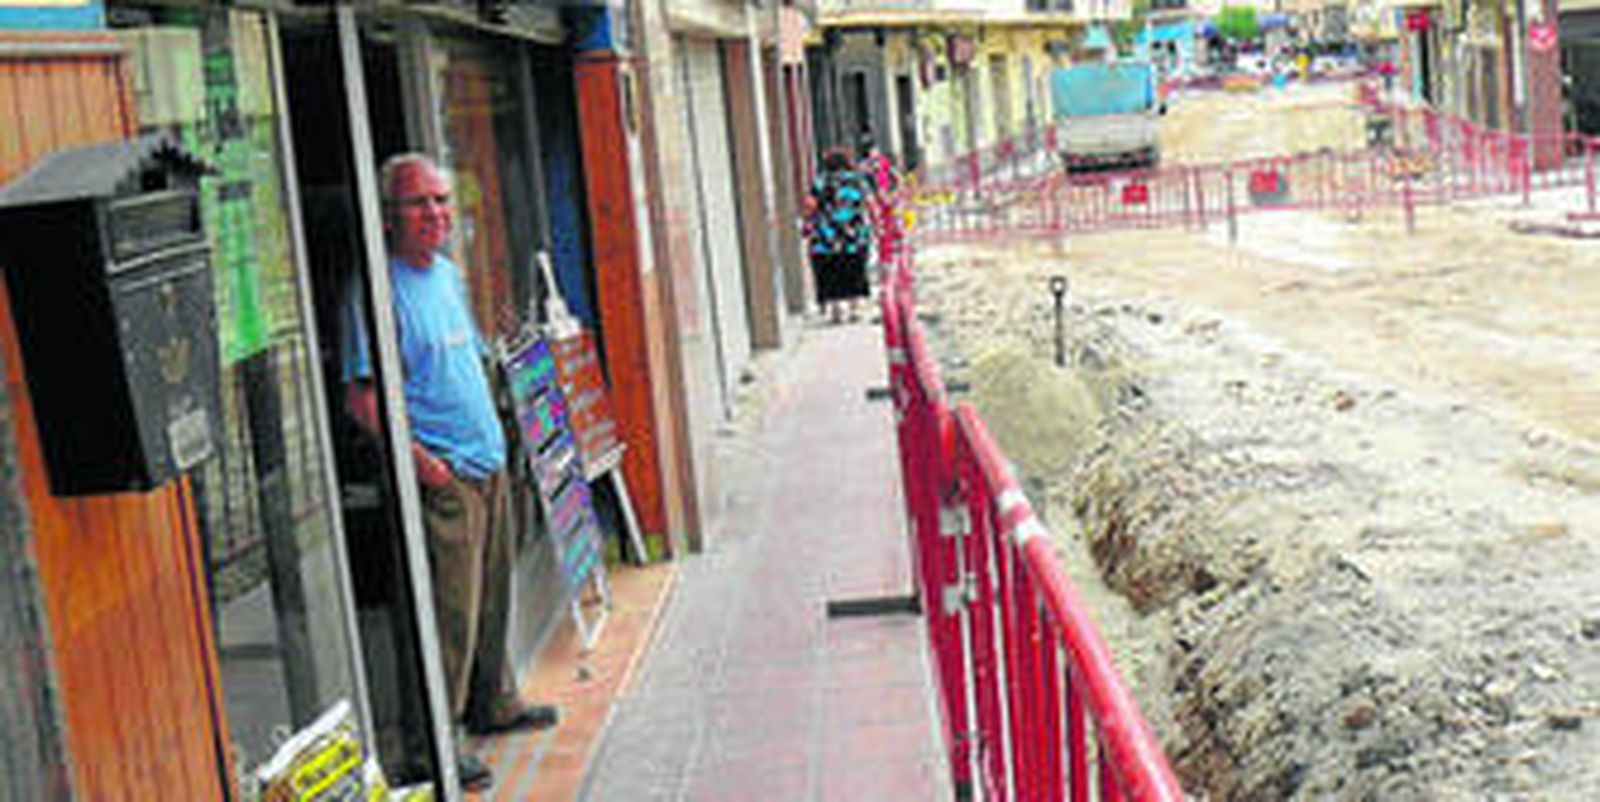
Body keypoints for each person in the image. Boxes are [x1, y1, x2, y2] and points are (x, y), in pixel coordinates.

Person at [343, 153, 558, 792]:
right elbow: (362, 398)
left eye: (440, 200)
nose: (435, 213)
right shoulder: (375, 291)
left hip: (487, 462)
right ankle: (432, 744)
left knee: (492, 598)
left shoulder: (444, 275)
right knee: (447, 617)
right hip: (444, 477)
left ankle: (494, 702)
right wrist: (423, 465)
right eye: (419, 203)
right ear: (390, 217)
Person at [803, 146, 874, 323]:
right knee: (854, 269)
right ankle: (854, 309)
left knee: (830, 271)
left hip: (826, 237)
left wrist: (810, 221)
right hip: (853, 236)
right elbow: (870, 202)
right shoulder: (858, 181)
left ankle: (836, 311)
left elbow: (810, 205)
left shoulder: (820, 181)